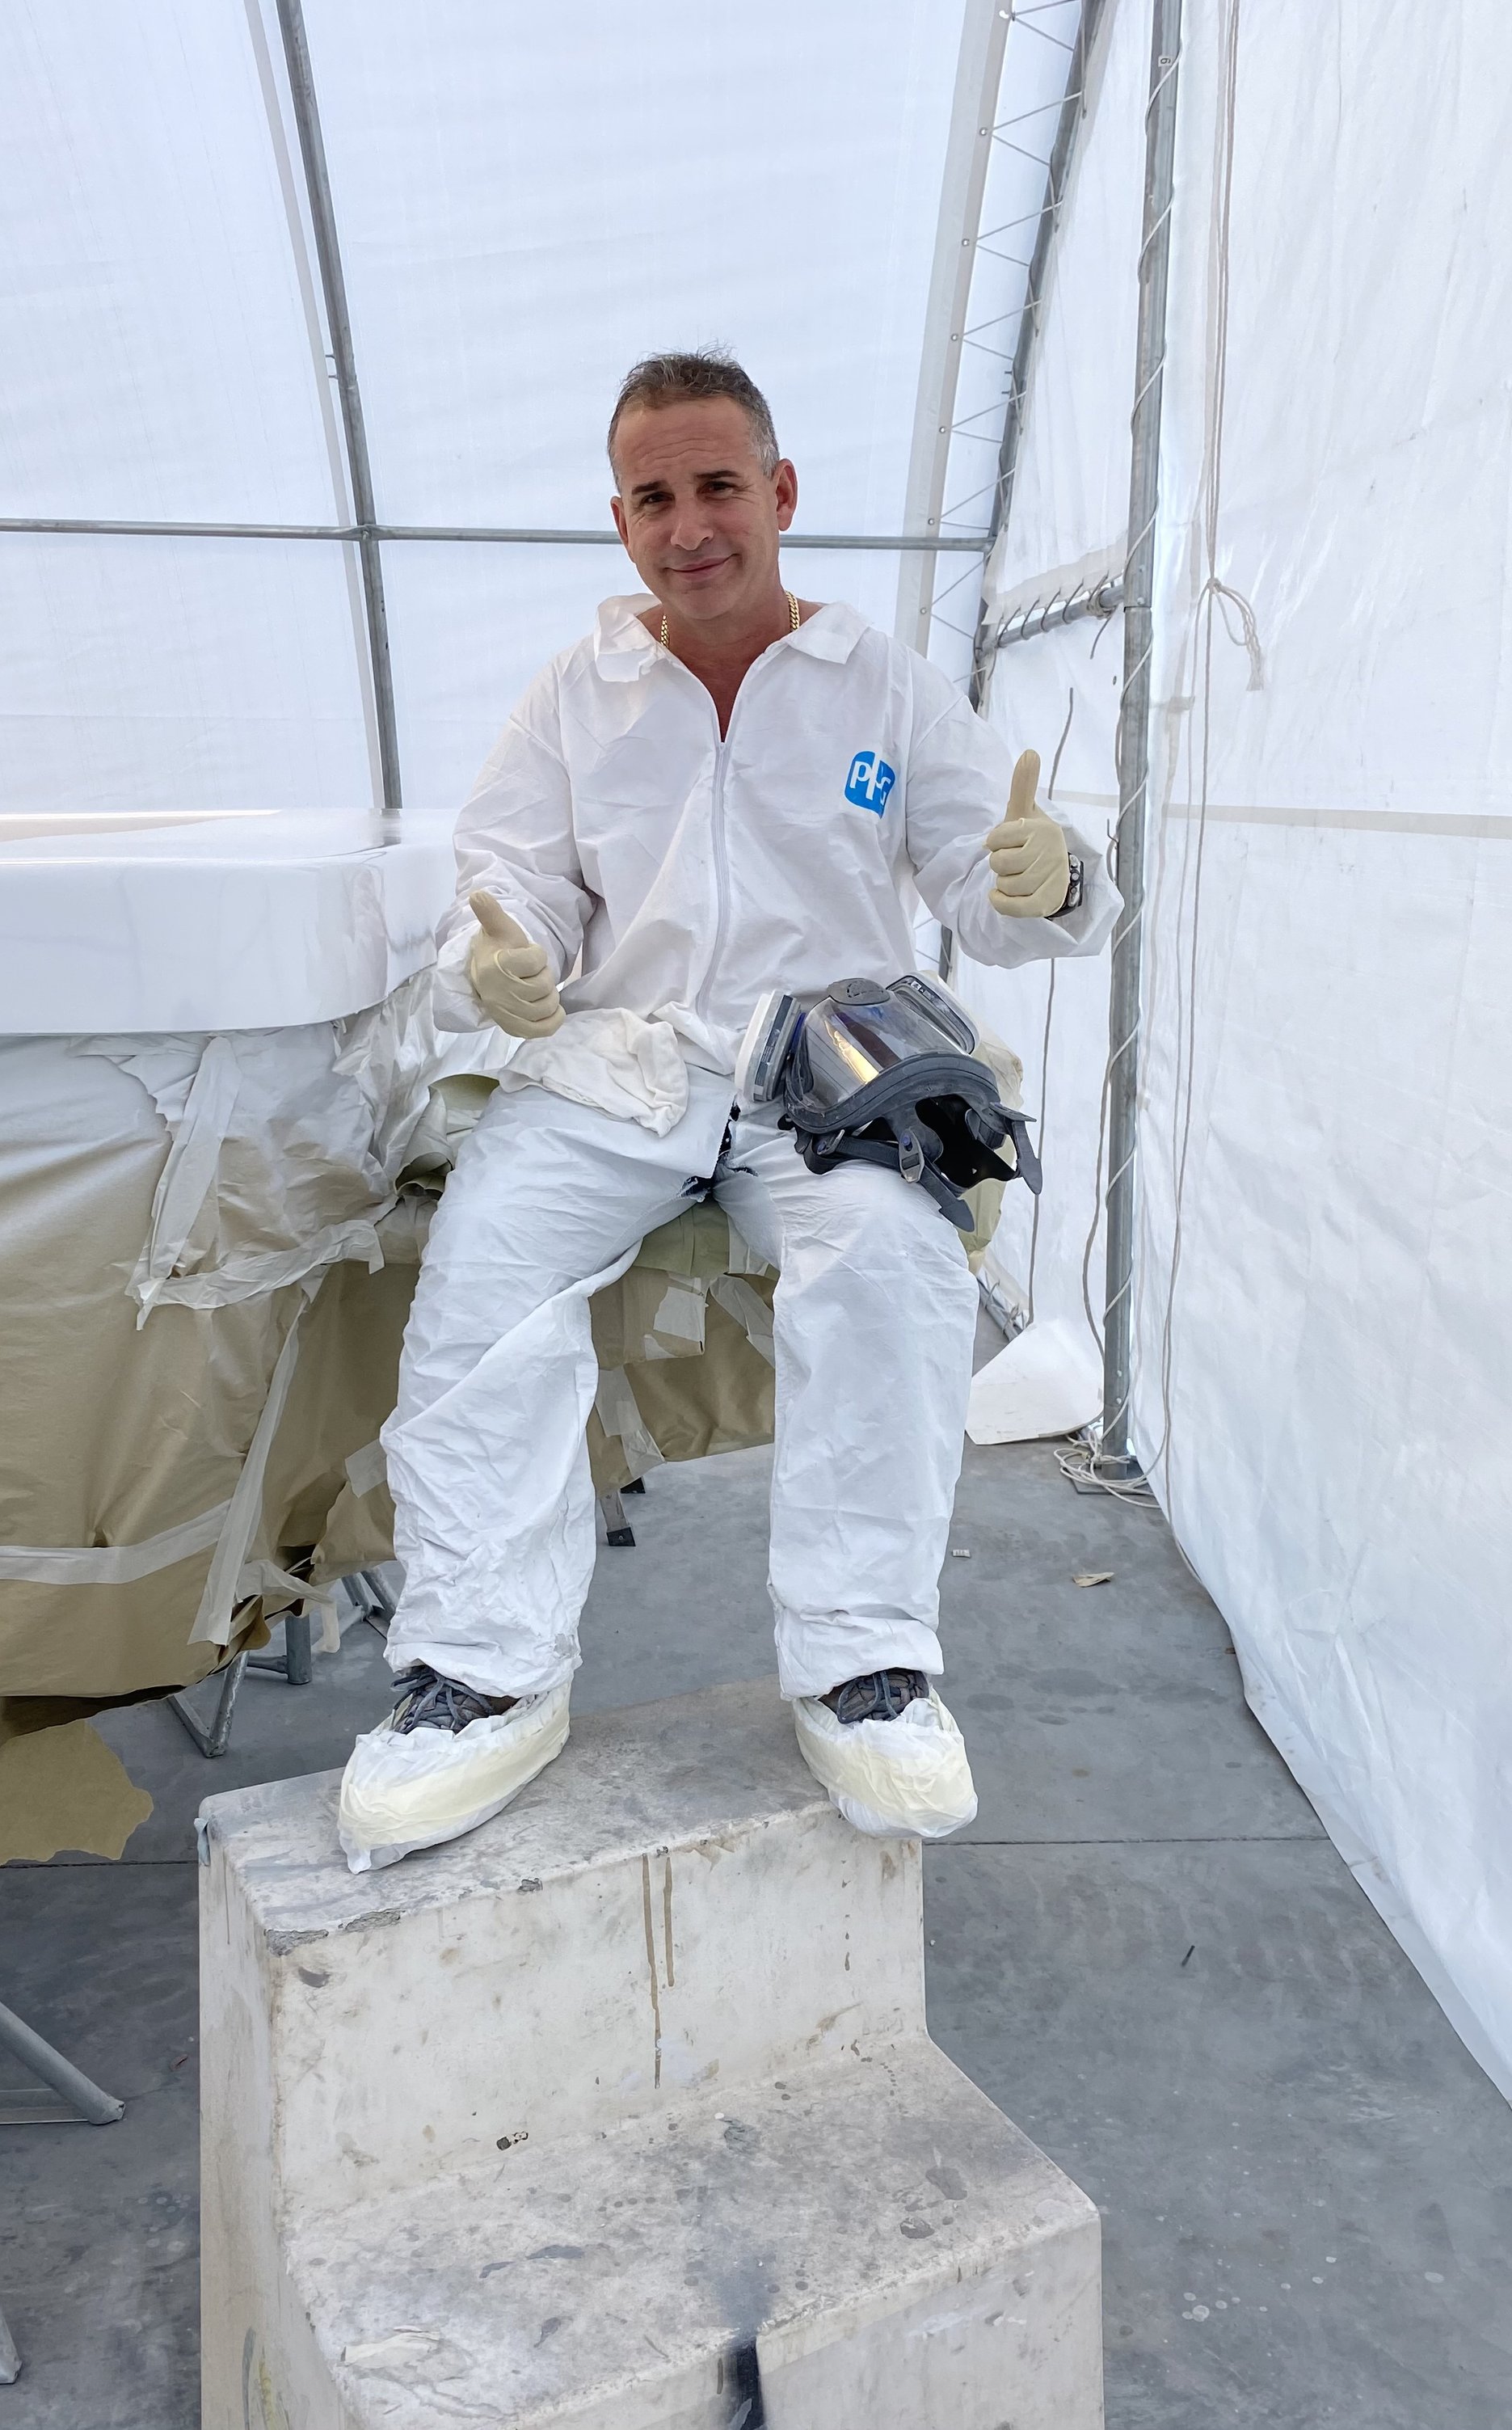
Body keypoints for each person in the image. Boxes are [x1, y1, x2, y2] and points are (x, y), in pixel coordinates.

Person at [335, 351, 1119, 1871]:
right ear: (620, 520)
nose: (689, 525)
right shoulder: (576, 696)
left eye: (717, 486)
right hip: (623, 1065)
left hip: (834, 1058)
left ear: (781, 491)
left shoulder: (879, 682)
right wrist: (501, 958)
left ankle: (864, 1661)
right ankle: (480, 1672)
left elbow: (989, 877)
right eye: (654, 497)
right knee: (484, 1268)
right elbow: (515, 885)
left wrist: (1050, 876)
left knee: (890, 1261)